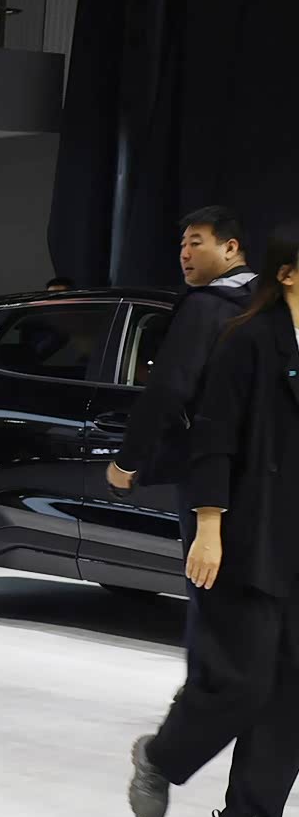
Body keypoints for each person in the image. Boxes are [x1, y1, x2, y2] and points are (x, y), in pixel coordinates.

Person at [127, 224, 299, 817]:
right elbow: (214, 439)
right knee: (242, 681)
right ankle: (160, 756)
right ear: (287, 273)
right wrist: (208, 527)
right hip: (247, 535)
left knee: (293, 686)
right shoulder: (247, 339)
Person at [106, 207, 256, 561]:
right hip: (274, 470)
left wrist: (127, 462)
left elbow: (169, 390)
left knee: (211, 580)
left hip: (212, 473)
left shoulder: (205, 307)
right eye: (182, 245)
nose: (185, 254)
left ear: (230, 247)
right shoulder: (277, 302)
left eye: (196, 243)